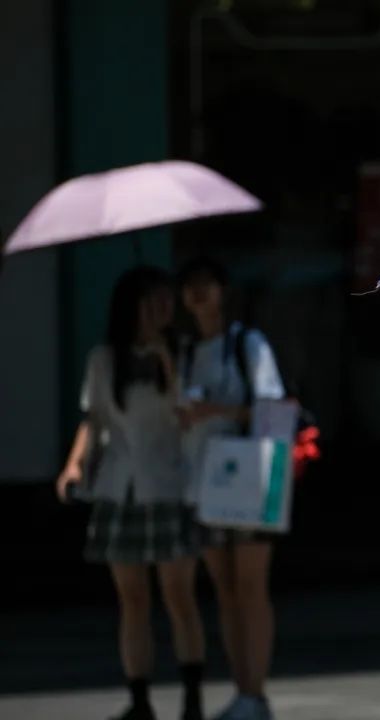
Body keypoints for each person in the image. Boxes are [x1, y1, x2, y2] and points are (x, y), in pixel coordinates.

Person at [56, 266, 205, 720]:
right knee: (132, 599)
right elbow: (94, 419)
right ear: (131, 307)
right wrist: (74, 464)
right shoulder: (105, 359)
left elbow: (187, 414)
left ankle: (192, 700)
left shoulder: (181, 352)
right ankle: (139, 700)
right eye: (152, 301)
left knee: (179, 595)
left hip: (168, 486)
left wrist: (166, 361)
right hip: (120, 488)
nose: (162, 309)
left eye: (166, 300)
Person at [176, 257, 286, 720]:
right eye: (190, 285)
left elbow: (273, 405)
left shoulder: (247, 343)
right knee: (223, 590)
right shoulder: (182, 351)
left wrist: (214, 411)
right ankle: (242, 689)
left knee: (251, 586)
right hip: (203, 485)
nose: (198, 294)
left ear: (223, 290)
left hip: (250, 480)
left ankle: (255, 694)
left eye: (207, 284)